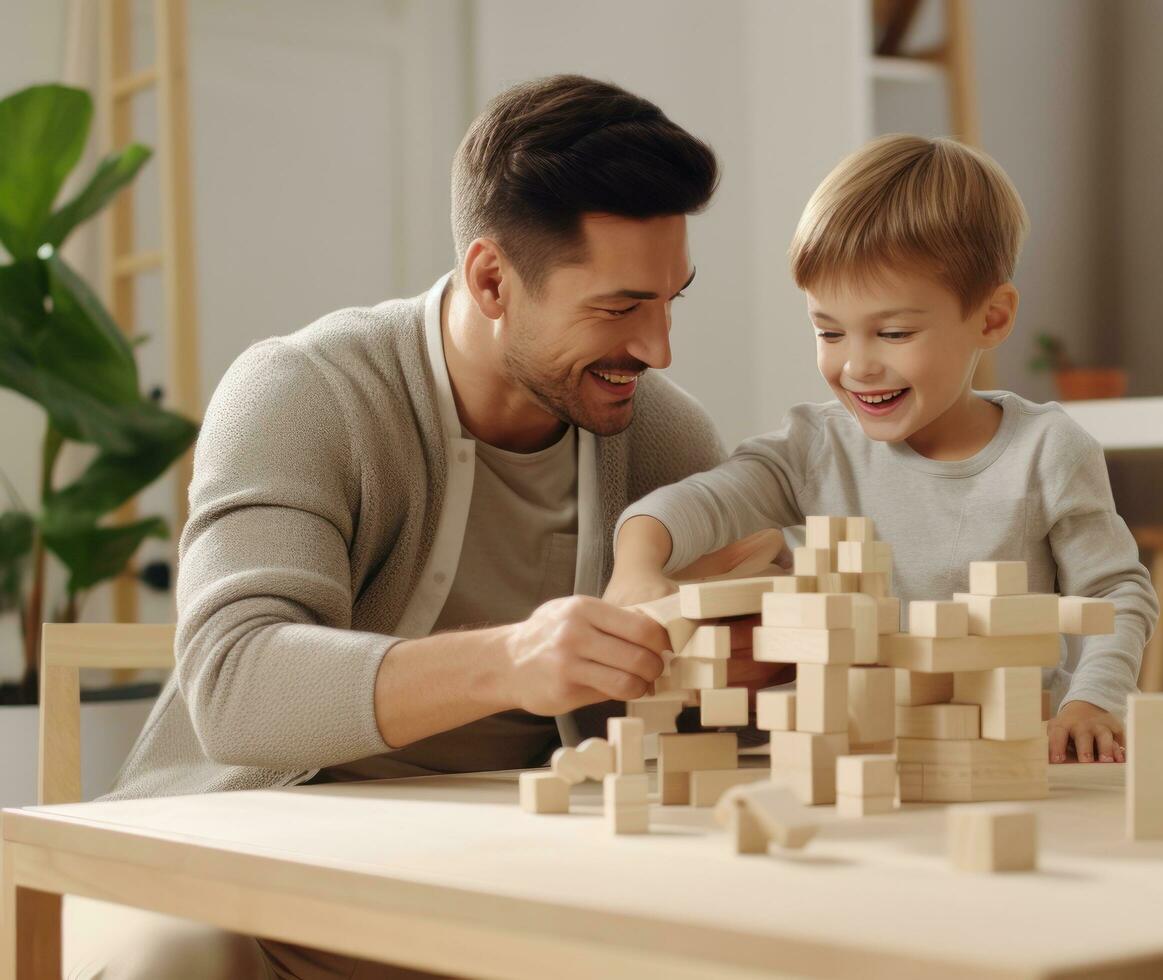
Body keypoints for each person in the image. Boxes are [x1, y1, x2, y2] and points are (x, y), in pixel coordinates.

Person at [71, 74, 783, 980]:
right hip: (244, 870)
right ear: (492, 278)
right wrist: (514, 661)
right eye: (616, 308)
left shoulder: (661, 433)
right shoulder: (303, 391)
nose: (656, 348)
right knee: (174, 961)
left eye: (669, 299)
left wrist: (740, 664)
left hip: (499, 878)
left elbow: (673, 732)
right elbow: (235, 686)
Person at [607, 134, 1157, 765]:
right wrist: (637, 565)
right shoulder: (813, 448)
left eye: (894, 333)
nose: (858, 365)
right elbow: (699, 503)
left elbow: (1115, 593)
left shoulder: (1046, 451)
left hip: (1007, 753)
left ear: (992, 318)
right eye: (829, 331)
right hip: (856, 759)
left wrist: (1092, 701)